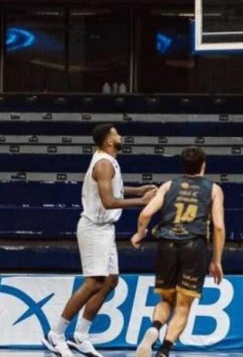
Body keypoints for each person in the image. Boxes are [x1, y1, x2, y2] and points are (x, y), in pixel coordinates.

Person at [42, 123, 157, 357]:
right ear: (108, 141)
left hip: (105, 228)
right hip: (94, 228)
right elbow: (108, 201)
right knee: (94, 282)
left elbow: (115, 189)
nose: (120, 136)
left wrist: (138, 190)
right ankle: (55, 333)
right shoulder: (104, 164)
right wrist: (142, 202)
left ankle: (81, 335)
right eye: (116, 134)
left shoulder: (107, 161)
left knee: (110, 281)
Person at [132, 146, 225, 357]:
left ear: (182, 166)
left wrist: (139, 234)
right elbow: (218, 226)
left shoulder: (167, 186)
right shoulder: (213, 189)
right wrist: (216, 260)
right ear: (203, 165)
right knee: (183, 306)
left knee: (166, 300)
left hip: (166, 245)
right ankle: (164, 350)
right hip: (194, 247)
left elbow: (145, 213)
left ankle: (154, 327)